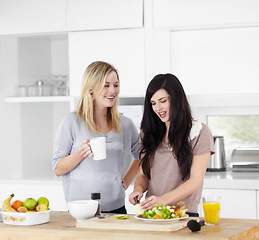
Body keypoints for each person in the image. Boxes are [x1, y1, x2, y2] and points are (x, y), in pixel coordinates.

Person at [52, 61, 140, 214]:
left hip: (116, 207)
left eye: (116, 84)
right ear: (91, 88)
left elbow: (143, 155)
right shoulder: (72, 122)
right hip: (80, 209)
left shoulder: (125, 124)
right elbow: (57, 168)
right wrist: (80, 154)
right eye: (106, 85)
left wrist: (126, 181)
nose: (113, 90)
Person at [129, 73, 214, 217]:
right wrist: (138, 189)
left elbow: (195, 180)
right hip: (153, 215)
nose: (158, 108)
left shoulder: (199, 132)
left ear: (176, 99)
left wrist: (163, 200)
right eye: (153, 103)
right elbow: (143, 174)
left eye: (163, 101)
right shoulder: (147, 134)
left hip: (183, 215)